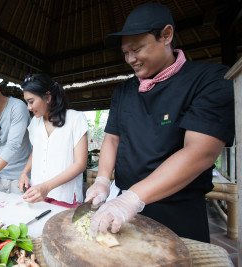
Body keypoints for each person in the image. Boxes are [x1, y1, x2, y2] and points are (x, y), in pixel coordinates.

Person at [85, 2, 234, 243]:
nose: (130, 59)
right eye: (125, 53)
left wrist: (132, 199)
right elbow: (112, 139)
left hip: (178, 210)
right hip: (122, 212)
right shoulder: (123, 91)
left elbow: (200, 152)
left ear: (166, 35)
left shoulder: (210, 80)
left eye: (137, 49)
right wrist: (103, 179)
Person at [17, 74, 88, 208]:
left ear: (48, 97)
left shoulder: (76, 119)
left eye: (31, 101)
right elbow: (36, 150)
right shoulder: (35, 122)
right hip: (38, 192)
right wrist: (24, 172)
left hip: (64, 195)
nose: (28, 107)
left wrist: (46, 187)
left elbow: (80, 164)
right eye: (27, 102)